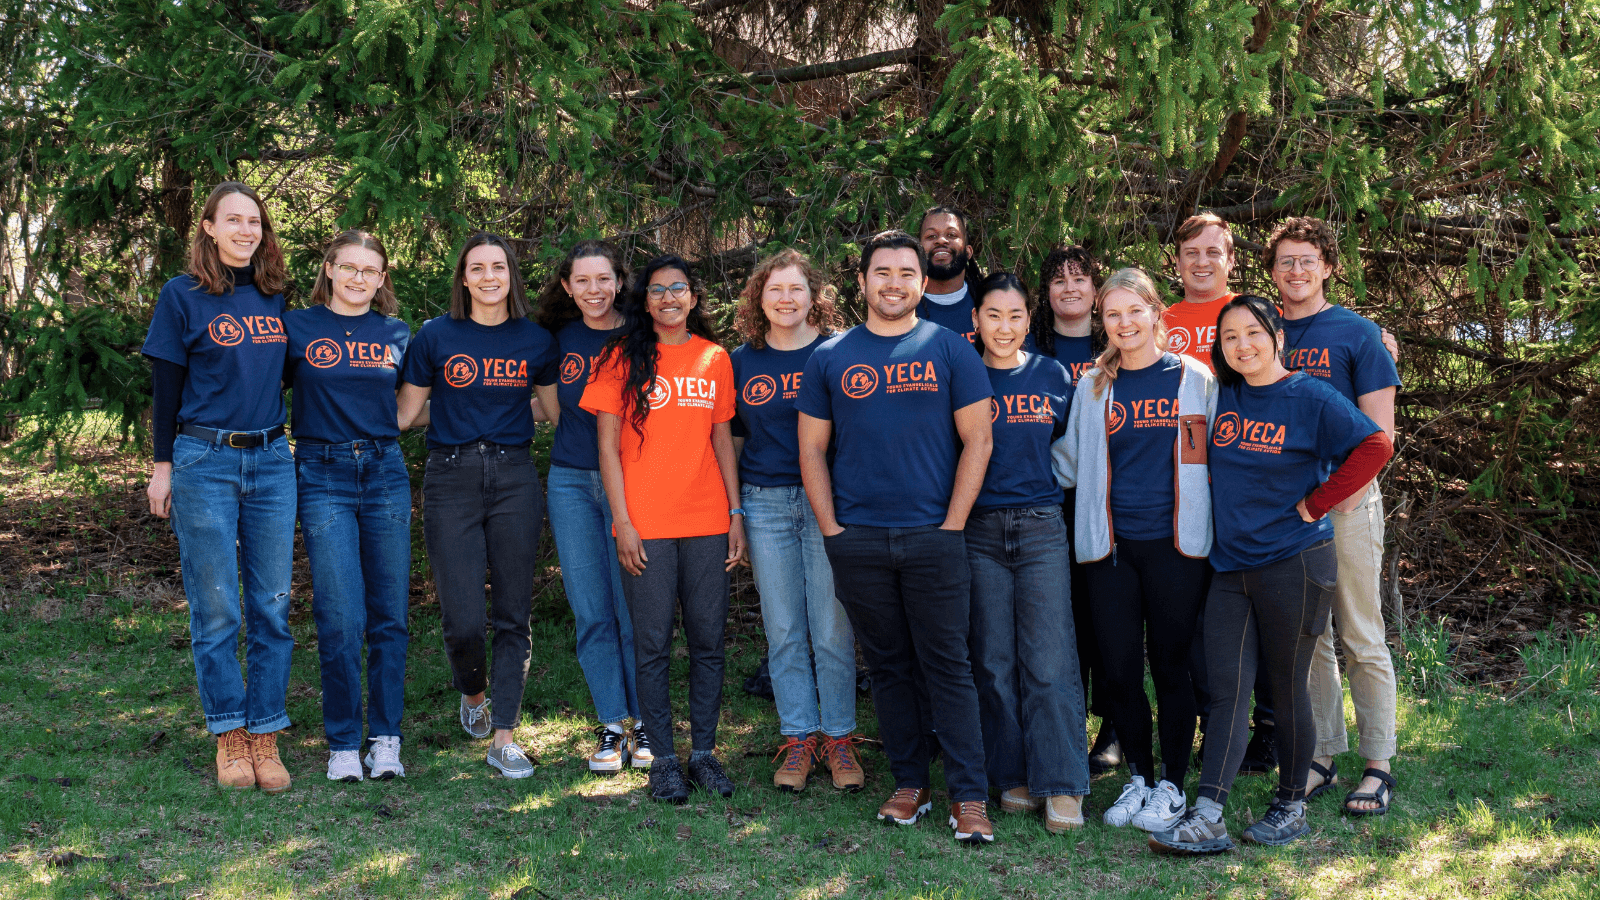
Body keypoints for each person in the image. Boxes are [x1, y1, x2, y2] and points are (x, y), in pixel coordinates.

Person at [1149, 295, 1393, 854]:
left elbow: (1376, 443)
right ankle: (1208, 812)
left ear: (1276, 336)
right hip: (1232, 567)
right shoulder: (1226, 394)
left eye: (1253, 333)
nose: (1242, 345)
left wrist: (1319, 502)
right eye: (1230, 336)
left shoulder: (1310, 395)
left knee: (1288, 687)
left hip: (1295, 563)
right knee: (1228, 689)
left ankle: (1291, 806)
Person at [796, 230, 997, 844]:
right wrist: (832, 530)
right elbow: (810, 449)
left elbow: (978, 440)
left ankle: (968, 795)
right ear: (861, 283)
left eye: (905, 273)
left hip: (935, 538)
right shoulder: (830, 356)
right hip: (858, 540)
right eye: (881, 272)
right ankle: (910, 782)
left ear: (921, 282)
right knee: (887, 666)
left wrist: (953, 525)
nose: (894, 283)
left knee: (949, 667)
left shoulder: (951, 349)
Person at [142, 181, 296, 793]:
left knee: (272, 606)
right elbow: (166, 387)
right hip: (203, 459)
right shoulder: (181, 296)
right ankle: (229, 733)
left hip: (272, 460)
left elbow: (296, 375)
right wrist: (161, 467)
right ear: (207, 227)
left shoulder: (276, 298)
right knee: (217, 607)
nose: (244, 230)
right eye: (232, 220)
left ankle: (265, 736)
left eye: (254, 222)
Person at [1051, 267, 1215, 834]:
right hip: (1110, 550)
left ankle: (1172, 782)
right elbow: (1067, 463)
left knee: (1171, 666)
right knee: (1118, 669)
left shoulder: (1195, 379)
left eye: (1134, 311)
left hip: (1177, 546)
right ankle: (1139, 779)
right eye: (1112, 314)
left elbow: (1220, 453)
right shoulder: (1093, 385)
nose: (1124, 324)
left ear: (1155, 313)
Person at [580, 255, 745, 804]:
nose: (669, 298)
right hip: (645, 522)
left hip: (706, 520)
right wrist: (621, 521)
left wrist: (735, 514)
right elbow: (606, 447)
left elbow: (723, 439)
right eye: (657, 291)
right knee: (651, 644)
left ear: (694, 298)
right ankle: (665, 761)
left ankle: (703, 754)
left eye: (679, 289)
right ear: (644, 300)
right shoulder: (617, 358)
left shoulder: (714, 358)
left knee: (707, 642)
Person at [397, 232, 559, 779]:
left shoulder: (536, 340)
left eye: (498, 267)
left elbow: (556, 410)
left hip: (515, 475)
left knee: (514, 612)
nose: (489, 277)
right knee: (462, 618)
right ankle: (473, 695)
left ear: (511, 275)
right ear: (462, 278)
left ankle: (505, 736)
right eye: (477, 268)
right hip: (450, 477)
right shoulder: (435, 336)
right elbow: (405, 414)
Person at [1267, 217, 1403, 816]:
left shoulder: (1357, 334)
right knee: (1310, 637)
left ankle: (1378, 763)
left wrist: (1340, 498)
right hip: (1284, 511)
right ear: (1272, 271)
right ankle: (1322, 753)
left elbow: (1381, 433)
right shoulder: (1262, 330)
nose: (1296, 271)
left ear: (1327, 267)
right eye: (1285, 261)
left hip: (1344, 505)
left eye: (1307, 260)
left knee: (1359, 633)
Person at [729, 248, 864, 793]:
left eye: (796, 289)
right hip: (764, 502)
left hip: (825, 503)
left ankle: (839, 739)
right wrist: (735, 508)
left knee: (832, 626)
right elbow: (731, 442)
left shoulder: (837, 355)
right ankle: (798, 738)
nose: (786, 299)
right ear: (759, 299)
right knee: (783, 627)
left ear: (816, 297)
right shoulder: (740, 361)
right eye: (774, 290)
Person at [285, 230, 413, 783]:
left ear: (382, 279)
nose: (360, 278)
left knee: (389, 615)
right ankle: (342, 742)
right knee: (340, 616)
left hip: (385, 471)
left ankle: (386, 739)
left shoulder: (396, 334)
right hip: (321, 472)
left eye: (372, 270)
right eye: (350, 267)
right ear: (330, 270)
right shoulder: (297, 327)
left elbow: (409, 408)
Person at [965, 272, 1087, 833]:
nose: (1005, 327)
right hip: (977, 528)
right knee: (993, 660)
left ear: (1028, 320)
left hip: (1041, 526)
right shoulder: (959, 372)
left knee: (1052, 657)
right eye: (993, 315)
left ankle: (1061, 782)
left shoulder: (1053, 373)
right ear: (976, 320)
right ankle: (1010, 772)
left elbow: (1074, 448)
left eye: (1015, 316)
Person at [532, 241, 651, 774]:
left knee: (635, 609)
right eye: (582, 281)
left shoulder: (641, 332)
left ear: (619, 281)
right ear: (566, 287)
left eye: (604, 279)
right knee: (592, 609)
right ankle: (611, 724)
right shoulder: (557, 341)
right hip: (573, 483)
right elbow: (558, 414)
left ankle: (645, 720)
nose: (594, 290)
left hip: (636, 484)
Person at [1026, 244, 1118, 773]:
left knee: (1105, 613)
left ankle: (1111, 728)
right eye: (1057, 279)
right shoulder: (1031, 348)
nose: (1068, 287)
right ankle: (1063, 721)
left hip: (1109, 499)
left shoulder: (1120, 344)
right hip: (1047, 500)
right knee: (1059, 617)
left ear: (1096, 290)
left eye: (1079, 278)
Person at [915, 206, 984, 342]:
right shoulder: (903, 308)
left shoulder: (990, 305)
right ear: (918, 252)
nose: (941, 240)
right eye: (931, 236)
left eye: (951, 235)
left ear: (968, 251)